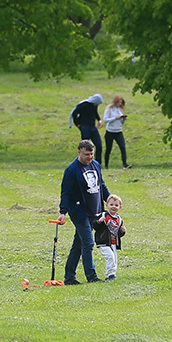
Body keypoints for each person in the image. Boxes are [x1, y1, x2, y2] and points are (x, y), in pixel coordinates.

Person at [56, 139, 110, 284]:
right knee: (88, 241)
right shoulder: (72, 170)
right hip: (79, 212)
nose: (90, 157)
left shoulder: (96, 165)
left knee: (78, 244)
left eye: (91, 154)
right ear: (79, 152)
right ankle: (91, 276)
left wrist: (109, 199)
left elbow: (101, 184)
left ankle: (69, 277)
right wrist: (63, 211)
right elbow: (65, 192)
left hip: (95, 210)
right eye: (87, 154)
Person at [94, 194, 126, 281]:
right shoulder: (103, 215)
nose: (113, 207)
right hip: (103, 242)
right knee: (110, 257)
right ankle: (110, 275)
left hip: (113, 243)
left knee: (114, 259)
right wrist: (99, 222)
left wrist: (122, 231)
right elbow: (95, 226)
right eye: (111, 205)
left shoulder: (119, 219)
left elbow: (118, 234)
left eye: (116, 205)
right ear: (107, 205)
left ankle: (112, 274)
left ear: (120, 207)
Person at [69, 94, 104, 163]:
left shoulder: (94, 105)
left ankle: (98, 163)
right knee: (85, 146)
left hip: (93, 126)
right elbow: (75, 113)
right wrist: (77, 124)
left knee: (99, 145)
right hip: (85, 127)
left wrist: (99, 120)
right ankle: (83, 161)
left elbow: (95, 112)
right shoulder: (84, 105)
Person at [102, 95, 131, 169]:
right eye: (118, 102)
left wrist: (123, 119)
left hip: (118, 131)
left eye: (121, 102)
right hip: (110, 131)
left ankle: (125, 164)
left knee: (122, 147)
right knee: (109, 148)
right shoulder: (109, 109)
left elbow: (121, 122)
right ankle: (106, 165)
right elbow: (105, 120)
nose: (120, 104)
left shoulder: (120, 109)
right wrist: (115, 118)